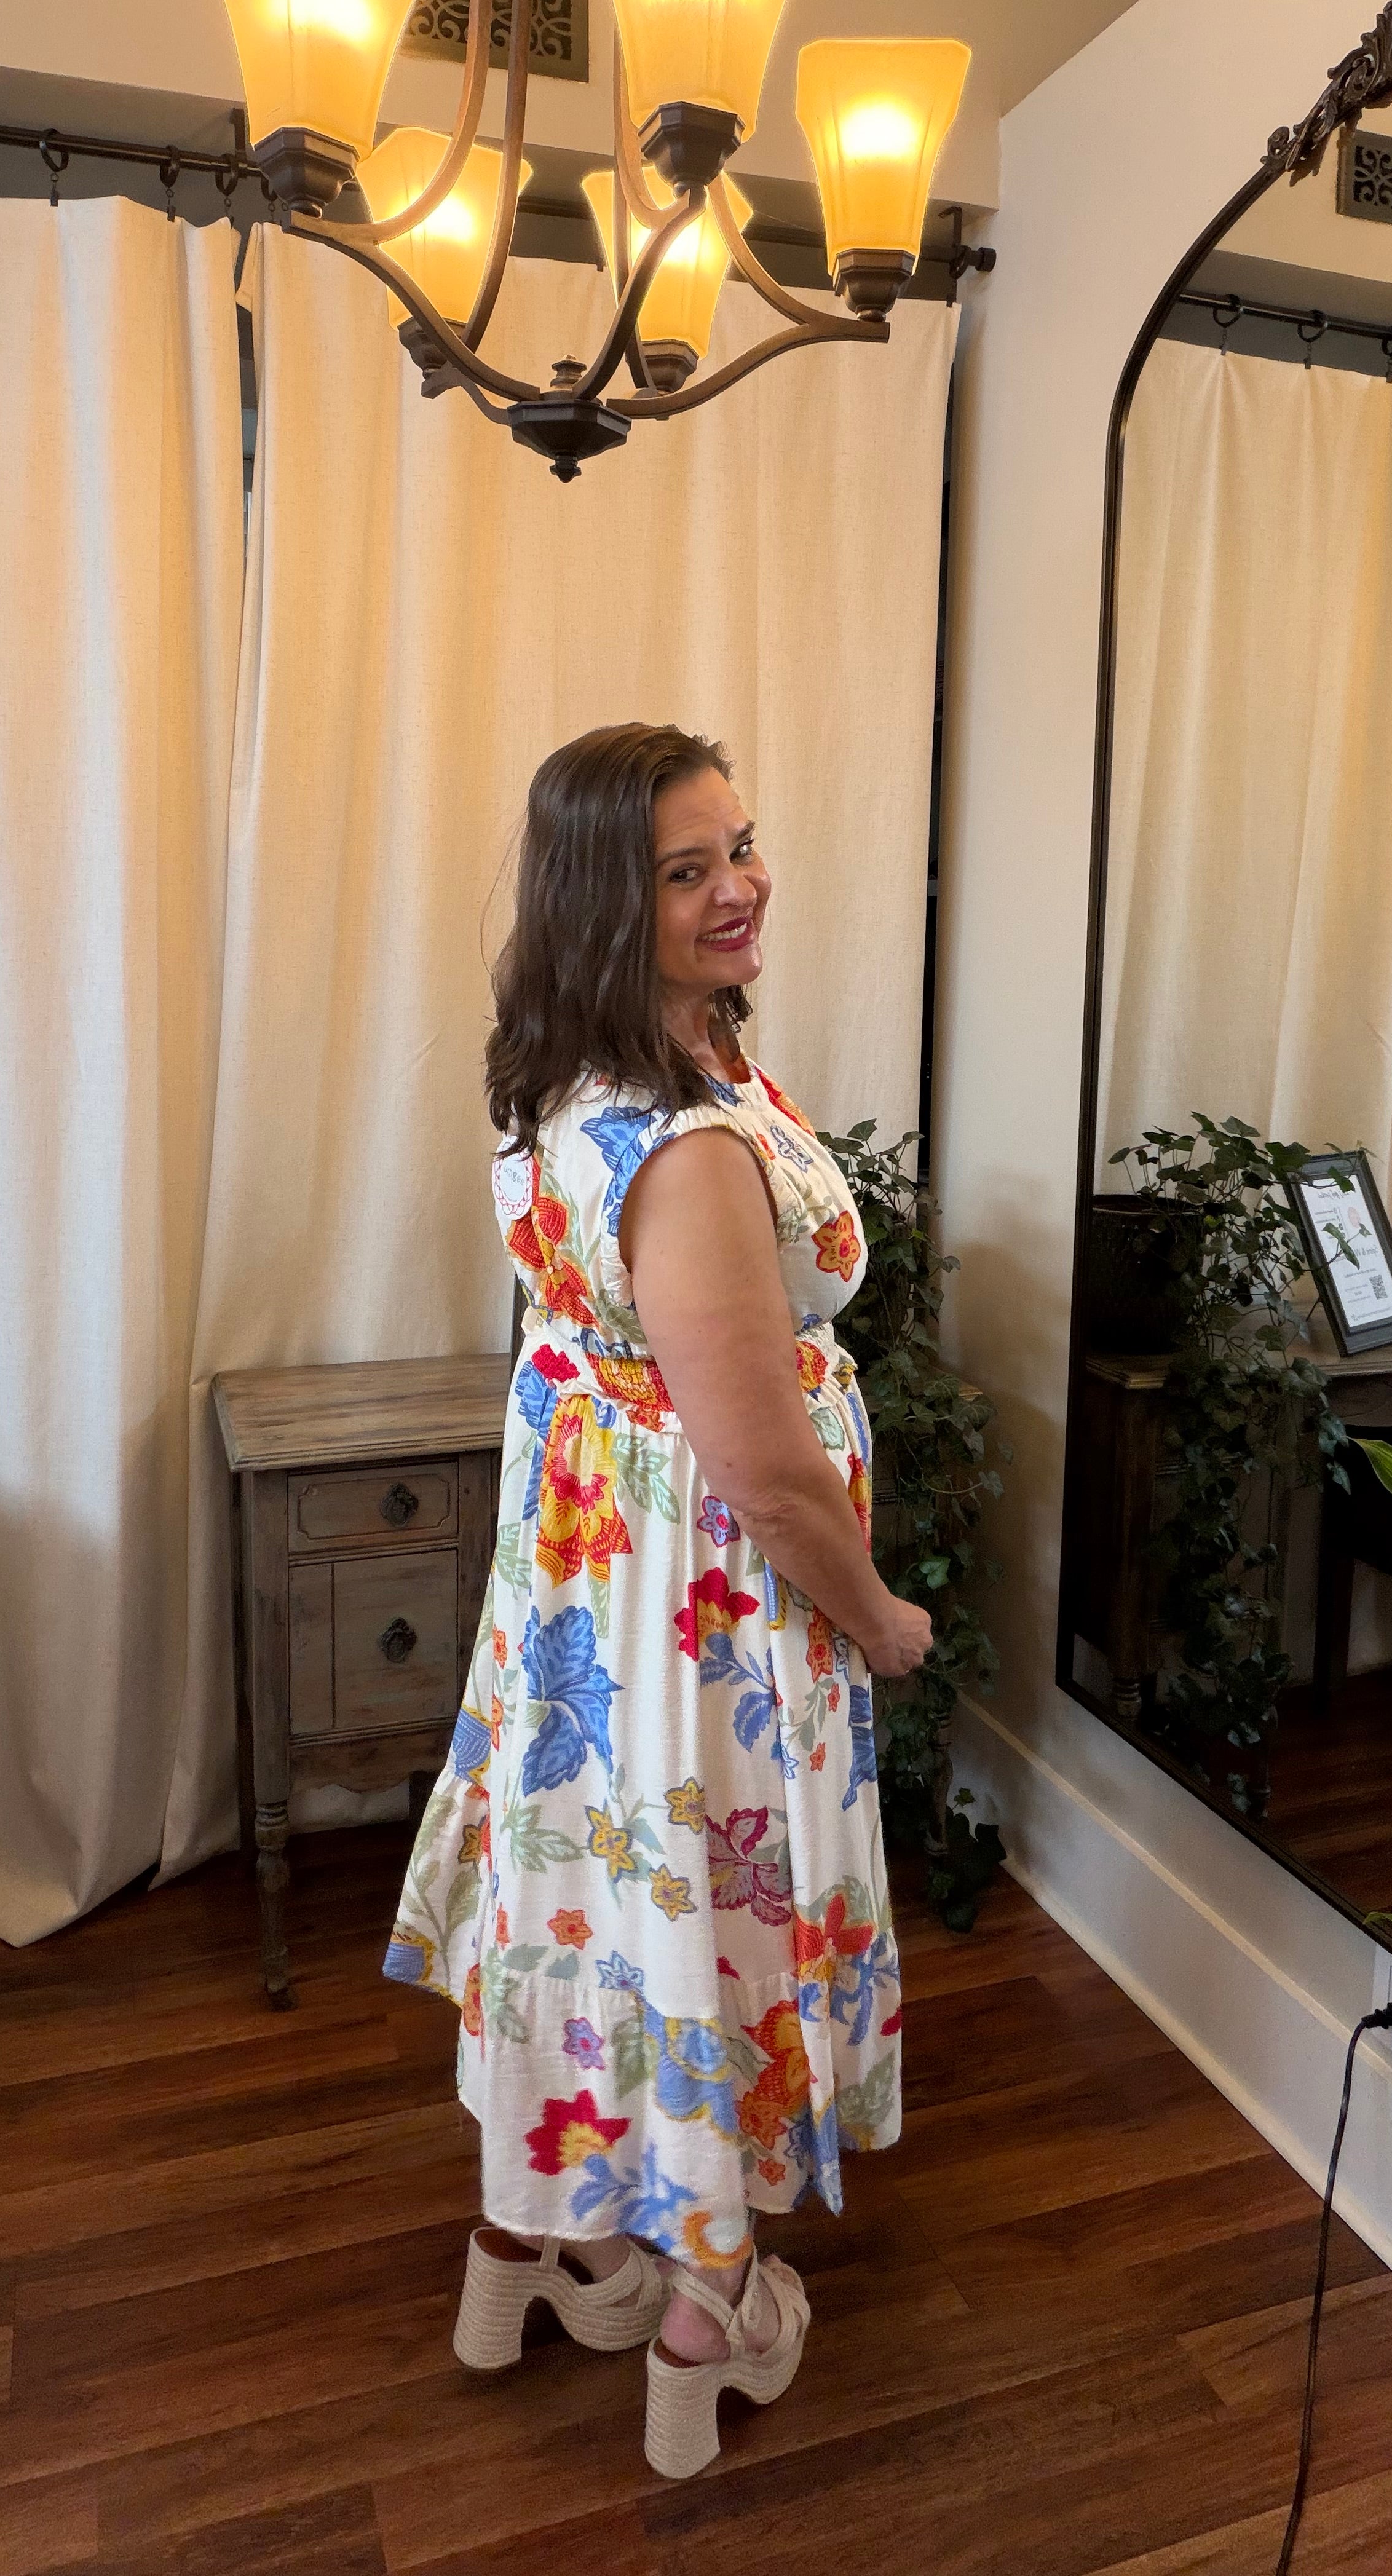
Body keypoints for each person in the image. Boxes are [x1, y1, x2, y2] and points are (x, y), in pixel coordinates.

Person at [384, 721, 931, 2480]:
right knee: (696, 1924)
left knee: (595, 1914)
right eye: (686, 869)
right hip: (702, 1618)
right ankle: (706, 2316)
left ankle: (532, 2256)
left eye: (741, 846)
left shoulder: (569, 1079)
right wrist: (886, 1618)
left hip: (592, 1597)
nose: (739, 884)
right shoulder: (683, 1143)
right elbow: (768, 1475)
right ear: (607, 907)